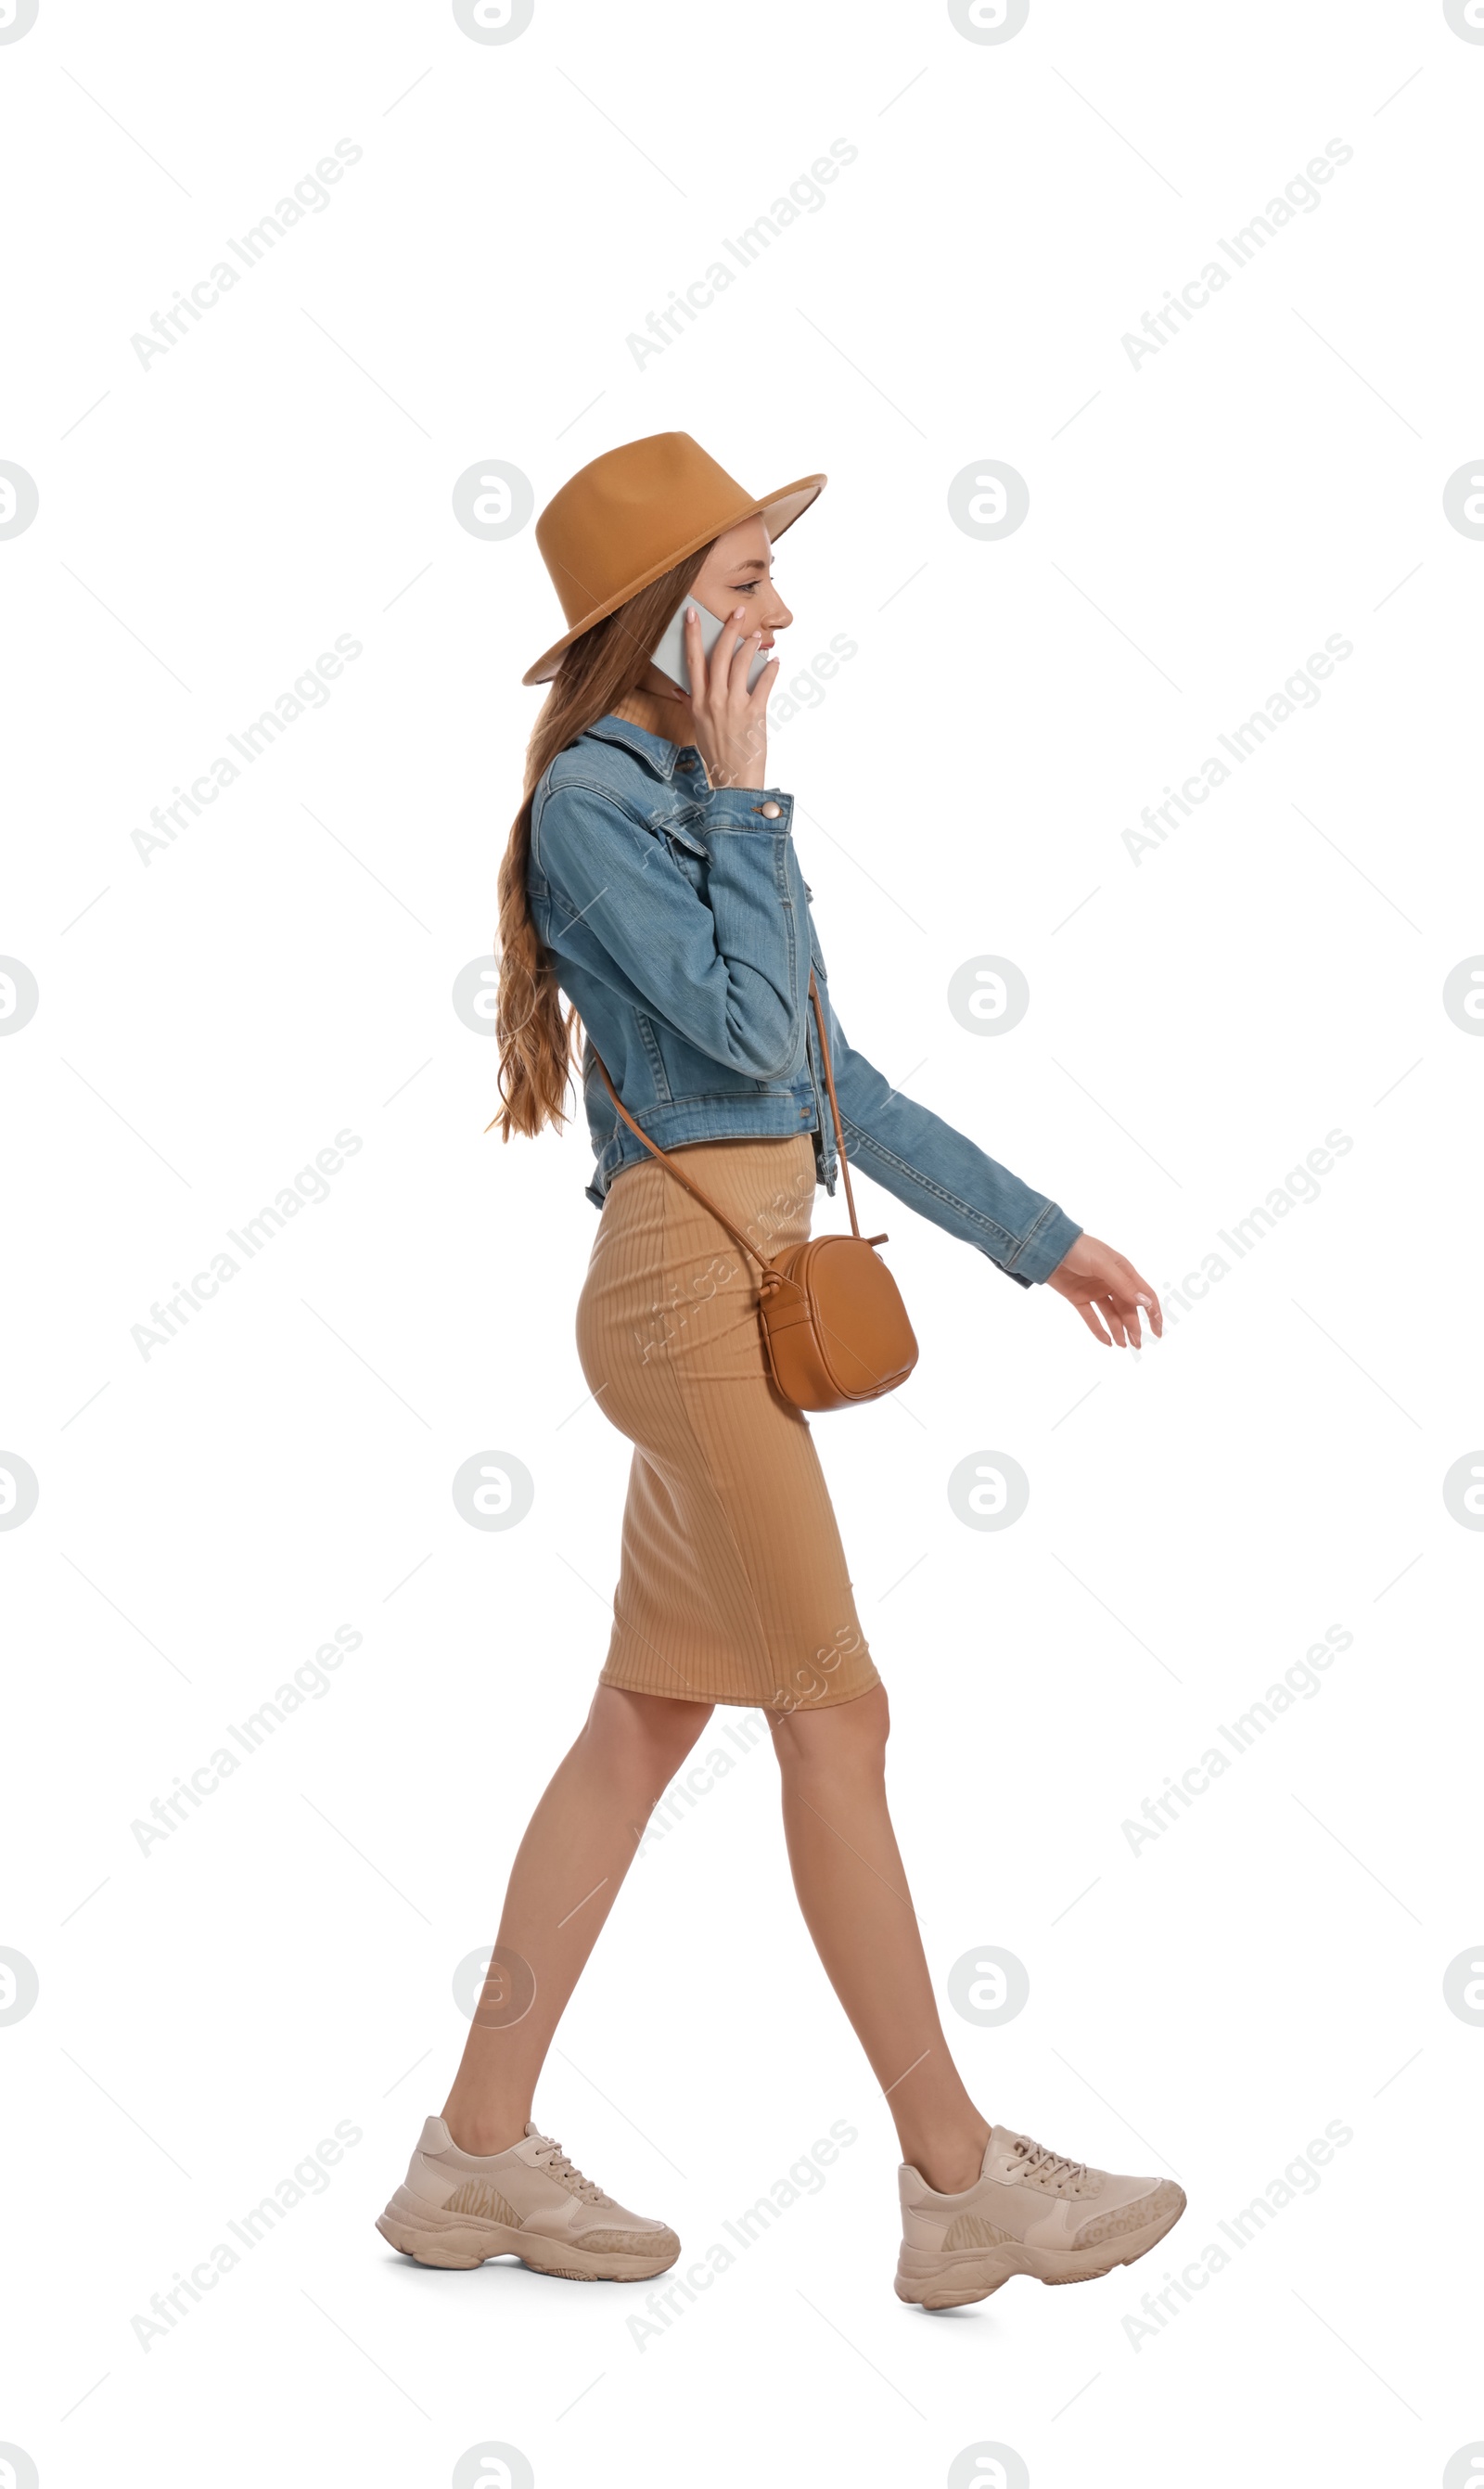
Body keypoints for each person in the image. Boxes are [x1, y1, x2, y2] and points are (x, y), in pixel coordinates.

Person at [376, 432, 1185, 2308]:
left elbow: (834, 1079)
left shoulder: (696, 792)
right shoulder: (600, 800)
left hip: (731, 1276)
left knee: (645, 1719)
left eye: (767, 577)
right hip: (683, 1290)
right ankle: (958, 2179)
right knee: (835, 1714)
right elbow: (734, 1019)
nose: (781, 609)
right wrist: (746, 802)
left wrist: (1033, 1233)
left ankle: (468, 2157)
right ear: (656, 620)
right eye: (742, 582)